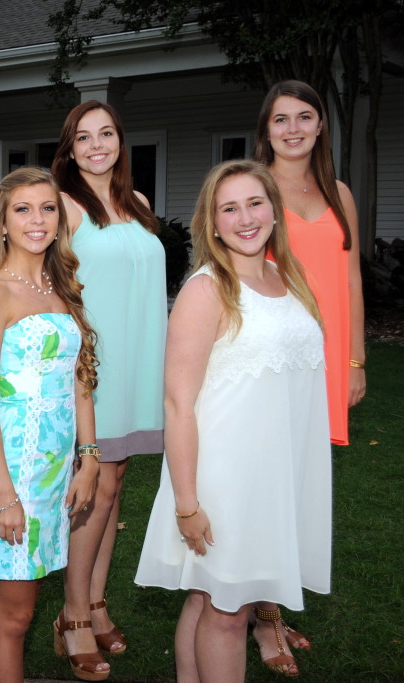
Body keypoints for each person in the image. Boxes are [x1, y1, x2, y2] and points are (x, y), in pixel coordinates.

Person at [134, 160, 330, 682]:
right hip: (224, 480)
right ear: (212, 222)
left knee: (206, 601)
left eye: (255, 203)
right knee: (227, 611)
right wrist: (186, 503)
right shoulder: (206, 290)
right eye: (229, 208)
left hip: (274, 475)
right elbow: (178, 404)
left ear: (274, 210)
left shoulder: (288, 278)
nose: (245, 218)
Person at [0, 166, 100, 683]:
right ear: (1, 223)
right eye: (23, 209)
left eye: (47, 209)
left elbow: (81, 380)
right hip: (11, 474)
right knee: (16, 614)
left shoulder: (63, 288)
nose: (37, 219)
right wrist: (3, 492)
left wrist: (89, 459)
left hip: (55, 473)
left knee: (14, 610)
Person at [48, 100, 167, 675]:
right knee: (94, 485)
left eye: (107, 134)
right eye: (84, 137)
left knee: (115, 485)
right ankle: (71, 615)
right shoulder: (65, 207)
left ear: (121, 140)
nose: (97, 145)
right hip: (93, 368)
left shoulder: (138, 205)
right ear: (69, 148)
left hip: (141, 361)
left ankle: (96, 603)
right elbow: (51, 289)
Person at [252, 79, 364, 674]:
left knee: (298, 485)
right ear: (265, 129)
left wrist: (355, 360)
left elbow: (350, 281)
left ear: (321, 126)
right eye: (280, 120)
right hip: (273, 358)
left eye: (304, 117)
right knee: (269, 485)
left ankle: (271, 603)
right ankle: (264, 620)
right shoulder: (253, 187)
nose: (292, 129)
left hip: (325, 359)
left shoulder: (339, 192)